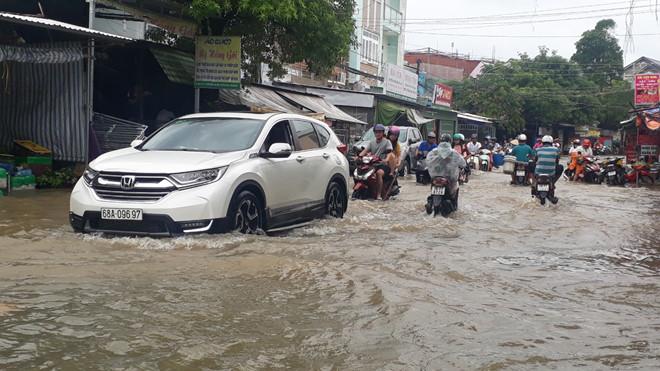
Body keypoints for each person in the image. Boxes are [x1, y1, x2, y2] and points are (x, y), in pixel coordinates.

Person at [426, 134, 467, 208]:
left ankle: (431, 201)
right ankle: (454, 206)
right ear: (450, 142)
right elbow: (463, 163)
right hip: (449, 178)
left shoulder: (434, 151)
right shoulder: (453, 152)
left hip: (435, 178)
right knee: (456, 186)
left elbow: (427, 161)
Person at [359, 124, 393, 200]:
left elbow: (390, 153)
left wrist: (386, 159)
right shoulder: (372, 142)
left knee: (379, 173)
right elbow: (365, 151)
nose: (378, 134)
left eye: (379, 132)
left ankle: (378, 194)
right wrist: (358, 157)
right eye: (376, 132)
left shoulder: (387, 142)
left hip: (383, 165)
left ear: (383, 133)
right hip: (373, 164)